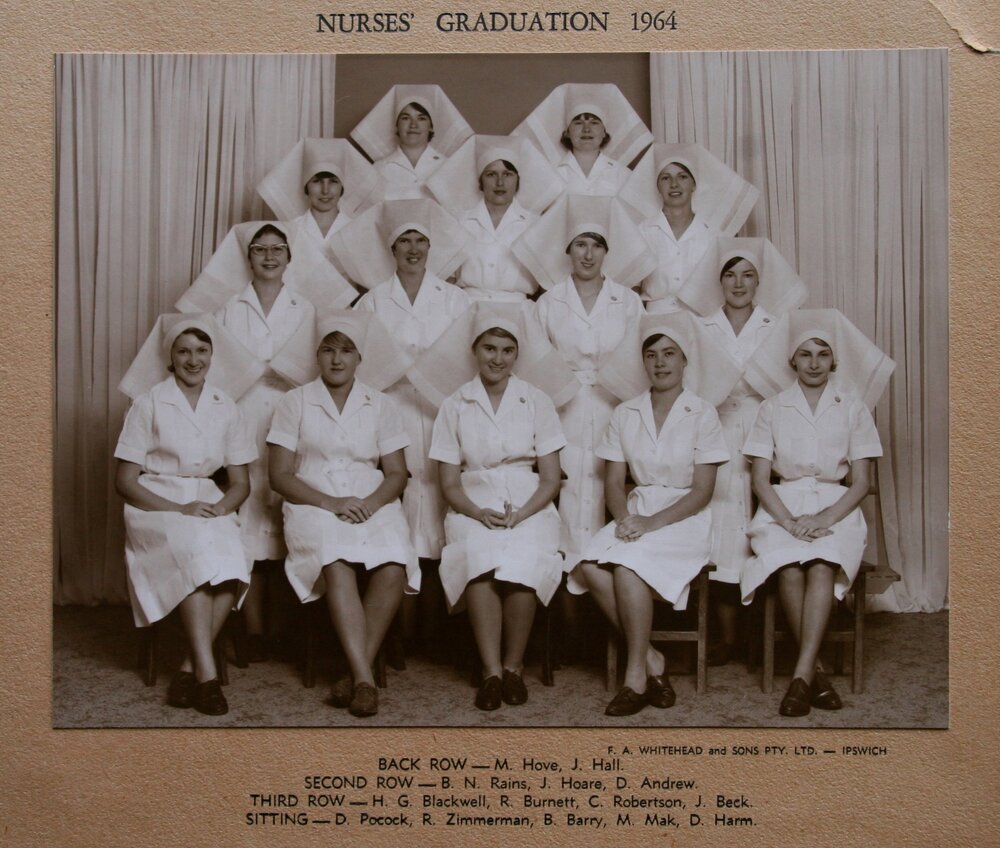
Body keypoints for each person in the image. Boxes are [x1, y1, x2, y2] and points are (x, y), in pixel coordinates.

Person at [413, 302, 572, 710]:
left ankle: (514, 667)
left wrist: (522, 512)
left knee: (525, 555)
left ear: (517, 354)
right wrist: (476, 512)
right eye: (489, 348)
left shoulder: (537, 401)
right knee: (479, 555)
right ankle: (491, 672)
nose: (497, 358)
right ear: (475, 351)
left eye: (506, 349)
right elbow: (448, 482)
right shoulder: (456, 404)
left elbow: (551, 478)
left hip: (529, 502)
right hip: (472, 502)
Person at [571, 313, 731, 716]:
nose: (660, 363)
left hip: (684, 517)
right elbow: (612, 483)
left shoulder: (702, 412)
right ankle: (653, 658)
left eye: (669, 354)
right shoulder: (626, 413)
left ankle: (634, 677)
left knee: (626, 567)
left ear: (684, 361)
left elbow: (703, 491)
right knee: (588, 566)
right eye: (652, 355)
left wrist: (649, 525)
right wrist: (626, 517)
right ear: (643, 362)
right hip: (638, 510)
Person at [740, 309, 894, 717]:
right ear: (792, 361)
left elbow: (860, 482)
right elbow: (759, 480)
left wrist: (824, 519)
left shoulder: (853, 407)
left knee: (822, 564)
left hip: (835, 507)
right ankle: (815, 675)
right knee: (790, 567)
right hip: (782, 504)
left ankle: (801, 674)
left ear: (834, 361)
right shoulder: (772, 408)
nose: (813, 363)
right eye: (805, 354)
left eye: (822, 354)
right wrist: (789, 522)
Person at [331, 200, 471, 642]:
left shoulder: (457, 300)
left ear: (432, 247)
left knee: (447, 504)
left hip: (445, 412)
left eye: (420, 241)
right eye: (404, 241)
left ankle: (447, 627)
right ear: (391, 249)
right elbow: (364, 364)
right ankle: (400, 631)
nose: (412, 249)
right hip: (390, 415)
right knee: (402, 508)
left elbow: (469, 360)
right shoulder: (371, 301)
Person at [267, 311, 419, 718]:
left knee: (393, 562)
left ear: (359, 358)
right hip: (311, 499)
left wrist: (371, 503)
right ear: (317, 356)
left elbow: (397, 473)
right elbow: (279, 476)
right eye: (329, 350)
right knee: (335, 559)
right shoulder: (294, 401)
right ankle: (365, 679)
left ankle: (354, 675)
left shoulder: (380, 403)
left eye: (346, 351)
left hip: (372, 498)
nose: (337, 360)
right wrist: (331, 503)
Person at [178, 221, 317, 660]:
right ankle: (251, 629)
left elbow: (313, 368)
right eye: (260, 250)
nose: (270, 257)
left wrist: (272, 369)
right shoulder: (227, 310)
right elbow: (216, 371)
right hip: (241, 415)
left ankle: (288, 628)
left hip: (293, 415)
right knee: (248, 513)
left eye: (278, 249)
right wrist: (262, 370)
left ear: (290, 258)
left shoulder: (306, 308)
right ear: (249, 257)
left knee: (288, 513)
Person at [115, 315, 259, 716]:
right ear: (169, 357)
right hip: (156, 503)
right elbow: (126, 482)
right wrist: (180, 509)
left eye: (201, 351)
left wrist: (220, 509)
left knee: (233, 559)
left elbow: (241, 484)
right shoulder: (149, 404)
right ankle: (209, 678)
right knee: (196, 554)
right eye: (183, 351)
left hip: (209, 500)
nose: (193, 360)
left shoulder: (225, 406)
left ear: (212, 355)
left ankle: (186, 671)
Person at [681, 238, 808, 664]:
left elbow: (788, 381)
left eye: (747, 275)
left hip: (764, 423)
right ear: (719, 281)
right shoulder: (700, 326)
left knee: (763, 520)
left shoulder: (778, 325)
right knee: (719, 522)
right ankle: (725, 635)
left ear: (759, 281)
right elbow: (694, 381)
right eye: (730, 275)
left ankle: (762, 635)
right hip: (713, 423)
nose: (738, 283)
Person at [514, 195, 652, 573]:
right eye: (580, 245)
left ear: (607, 251)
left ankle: (605, 571)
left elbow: (641, 357)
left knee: (610, 481)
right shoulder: (548, 302)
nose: (588, 255)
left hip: (614, 401)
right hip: (562, 403)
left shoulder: (626, 301)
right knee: (568, 481)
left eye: (596, 245)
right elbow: (533, 362)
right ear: (568, 250)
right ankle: (568, 578)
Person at [617, 143, 758, 314]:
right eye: (666, 178)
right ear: (657, 186)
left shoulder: (713, 235)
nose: (674, 184)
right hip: (655, 321)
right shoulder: (642, 232)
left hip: (702, 321)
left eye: (682, 177)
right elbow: (629, 286)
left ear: (694, 185)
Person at [426, 134, 563, 302]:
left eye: (507, 174)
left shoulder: (535, 225)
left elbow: (549, 284)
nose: (500, 182)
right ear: (480, 181)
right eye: (491, 174)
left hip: (518, 311)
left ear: (517, 180)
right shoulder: (459, 222)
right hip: (467, 308)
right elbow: (444, 277)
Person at [256, 137, 387, 306]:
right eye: (317, 181)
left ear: (342, 186)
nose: (325, 190)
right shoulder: (291, 230)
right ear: (306, 186)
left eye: (333, 181)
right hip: (298, 312)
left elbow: (375, 283)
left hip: (345, 315)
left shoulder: (358, 230)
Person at [514, 83, 653, 197]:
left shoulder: (623, 175)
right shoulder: (551, 175)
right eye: (578, 123)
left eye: (594, 123)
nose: (587, 129)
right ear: (567, 132)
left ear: (604, 132)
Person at [350, 85, 473, 200]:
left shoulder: (447, 167)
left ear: (431, 126)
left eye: (421, 118)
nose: (413, 125)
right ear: (397, 125)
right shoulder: (379, 168)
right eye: (405, 118)